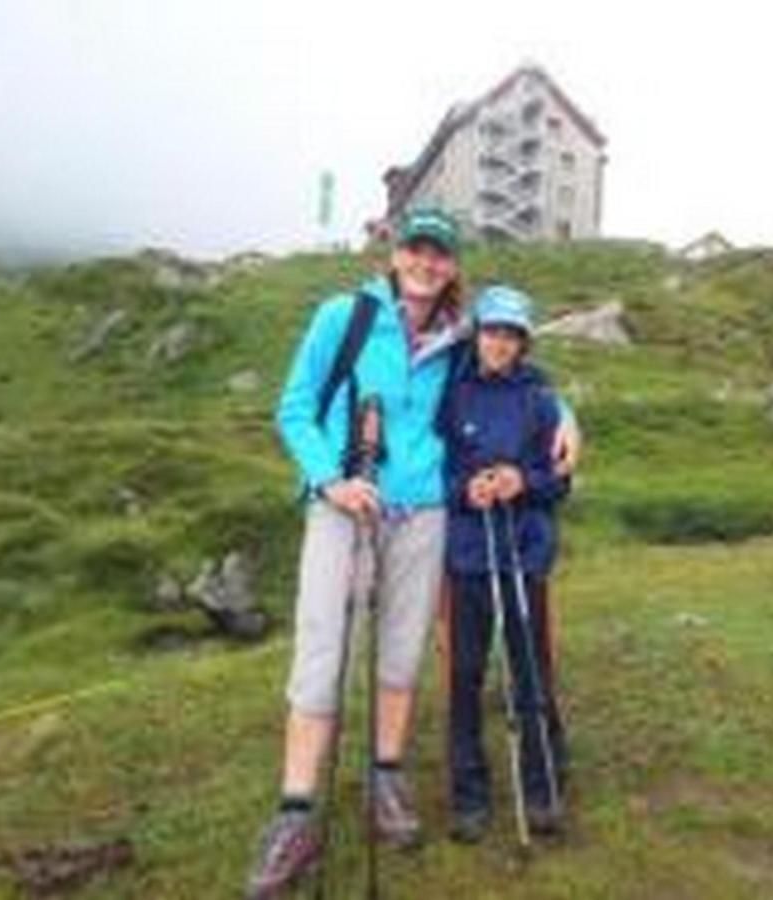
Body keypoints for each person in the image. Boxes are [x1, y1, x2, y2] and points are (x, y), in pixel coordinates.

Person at [246, 208, 579, 898]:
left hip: (424, 512)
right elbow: (295, 406)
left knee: (399, 654)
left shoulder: (460, 338)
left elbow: (517, 370)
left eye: (440, 253)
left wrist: (568, 414)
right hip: (346, 504)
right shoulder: (346, 317)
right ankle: (296, 812)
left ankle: (386, 780)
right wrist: (328, 479)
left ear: (452, 266)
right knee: (322, 655)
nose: (427, 262)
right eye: (416, 249)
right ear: (395, 253)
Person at [438, 285, 569, 843]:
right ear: (478, 332)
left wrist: (523, 481)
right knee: (465, 673)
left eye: (512, 334)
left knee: (530, 669)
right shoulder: (452, 391)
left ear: (523, 342)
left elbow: (560, 479)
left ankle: (542, 786)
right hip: (468, 555)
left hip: (524, 552)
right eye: (493, 331)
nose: (500, 343)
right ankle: (469, 793)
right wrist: (466, 489)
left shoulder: (540, 398)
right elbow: (433, 471)